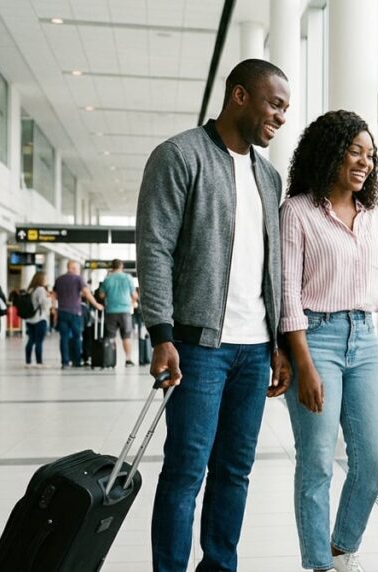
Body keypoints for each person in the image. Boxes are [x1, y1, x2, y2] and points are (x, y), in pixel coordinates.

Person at [137, 58, 291, 572]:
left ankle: (219, 566)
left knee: (236, 471)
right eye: (275, 103)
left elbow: (274, 267)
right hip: (197, 348)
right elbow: (154, 248)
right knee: (185, 470)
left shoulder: (269, 178)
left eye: (286, 108)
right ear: (240, 95)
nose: (281, 116)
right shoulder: (179, 156)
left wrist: (279, 345)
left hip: (253, 350)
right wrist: (161, 333)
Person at [280, 109, 378, 572]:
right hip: (315, 338)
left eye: (371, 155)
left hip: (365, 341)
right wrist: (303, 364)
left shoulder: (370, 217)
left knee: (372, 458)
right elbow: (288, 292)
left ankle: (340, 545)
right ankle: (320, 565)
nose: (365, 162)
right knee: (317, 464)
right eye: (355, 151)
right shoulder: (298, 212)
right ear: (329, 152)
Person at [52, 261, 104, 368]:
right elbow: (86, 293)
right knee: (77, 337)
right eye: (77, 268)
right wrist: (96, 304)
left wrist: (54, 309)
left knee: (64, 338)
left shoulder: (59, 279)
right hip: (75, 312)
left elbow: (54, 296)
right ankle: (76, 361)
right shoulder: (78, 279)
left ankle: (65, 362)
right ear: (72, 268)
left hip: (62, 312)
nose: (78, 270)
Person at [100, 259, 139, 366]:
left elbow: (101, 295)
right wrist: (131, 303)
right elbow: (135, 295)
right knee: (126, 336)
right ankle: (128, 359)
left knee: (111, 336)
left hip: (111, 311)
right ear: (121, 266)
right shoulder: (128, 278)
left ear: (112, 267)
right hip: (125, 311)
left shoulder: (108, 279)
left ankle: (110, 359)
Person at [24, 272, 52, 367]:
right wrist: (49, 298)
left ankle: (28, 361)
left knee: (31, 340)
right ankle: (39, 362)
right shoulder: (40, 290)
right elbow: (44, 304)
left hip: (29, 319)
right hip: (39, 319)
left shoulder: (30, 289)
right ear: (41, 279)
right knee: (39, 341)